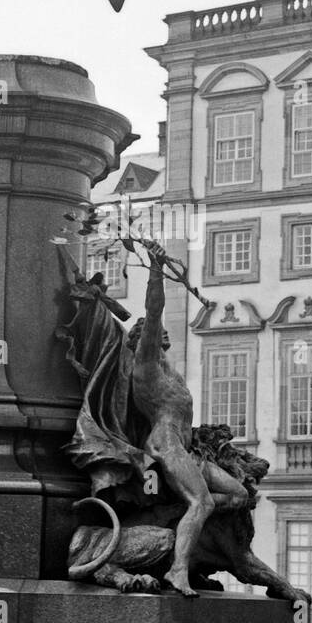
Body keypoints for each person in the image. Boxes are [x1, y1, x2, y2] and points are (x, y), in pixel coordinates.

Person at [127, 241, 218, 597]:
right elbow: (154, 309)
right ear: (140, 342)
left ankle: (182, 520)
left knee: (239, 494)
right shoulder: (146, 367)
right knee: (203, 502)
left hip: (187, 447)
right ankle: (178, 570)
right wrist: (154, 268)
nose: (159, 333)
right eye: (150, 333)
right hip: (166, 443)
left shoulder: (172, 374)